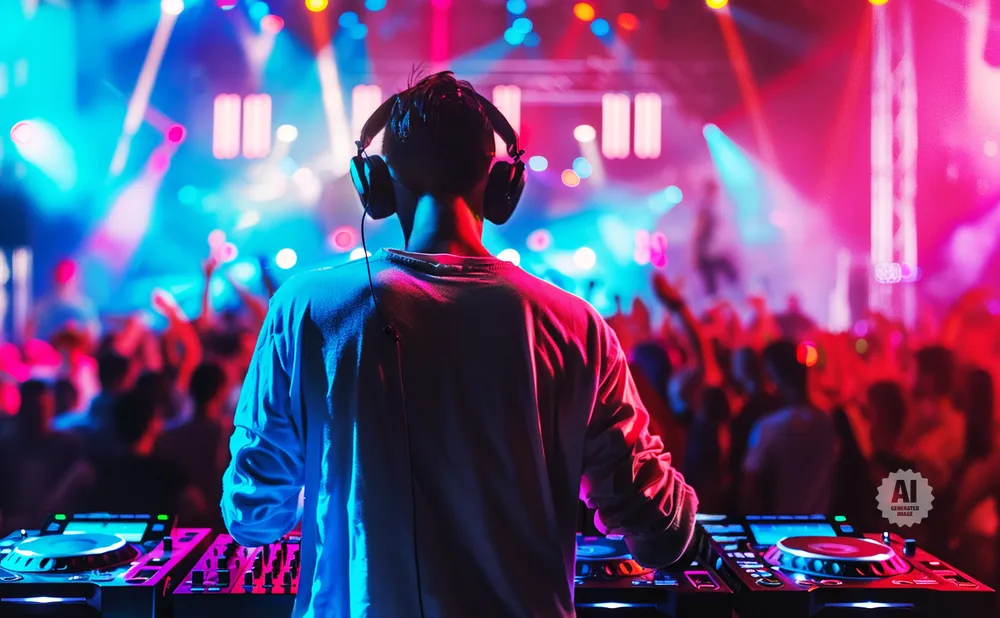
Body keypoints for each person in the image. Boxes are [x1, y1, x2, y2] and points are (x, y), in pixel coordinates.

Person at [221, 72, 697, 618]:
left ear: (375, 182)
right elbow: (659, 533)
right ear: (500, 183)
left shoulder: (305, 308)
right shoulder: (575, 326)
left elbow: (253, 516)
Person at [741, 340, 838, 514]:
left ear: (772, 375)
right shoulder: (828, 422)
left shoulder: (768, 427)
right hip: (820, 524)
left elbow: (749, 488)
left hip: (778, 525)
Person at [692, 179, 737, 297]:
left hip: (714, 251)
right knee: (713, 286)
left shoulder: (714, 207)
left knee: (724, 281)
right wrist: (695, 255)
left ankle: (725, 300)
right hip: (707, 253)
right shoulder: (705, 208)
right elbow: (698, 232)